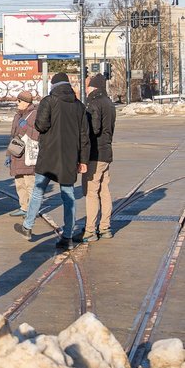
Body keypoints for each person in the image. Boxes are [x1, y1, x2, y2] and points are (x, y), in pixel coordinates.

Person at [15, 72, 90, 249]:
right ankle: (68, 236)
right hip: (69, 157)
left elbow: (41, 125)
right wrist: (83, 160)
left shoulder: (48, 101)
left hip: (49, 154)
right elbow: (84, 135)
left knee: (38, 190)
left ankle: (28, 226)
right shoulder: (79, 106)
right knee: (68, 196)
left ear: (53, 85)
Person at [76, 74, 116, 243]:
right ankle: (105, 227)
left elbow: (94, 128)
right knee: (104, 191)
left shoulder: (94, 103)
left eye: (88, 87)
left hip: (94, 154)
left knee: (91, 192)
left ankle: (90, 230)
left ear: (93, 88)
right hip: (106, 152)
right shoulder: (109, 103)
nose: (86, 89)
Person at [8, 91, 39, 217]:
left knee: (29, 183)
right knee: (19, 183)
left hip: (28, 154)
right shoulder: (18, 115)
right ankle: (24, 207)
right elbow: (13, 135)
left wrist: (25, 126)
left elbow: (37, 135)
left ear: (26, 102)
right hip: (16, 152)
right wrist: (8, 154)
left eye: (19, 101)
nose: (17, 103)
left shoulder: (35, 114)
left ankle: (32, 210)